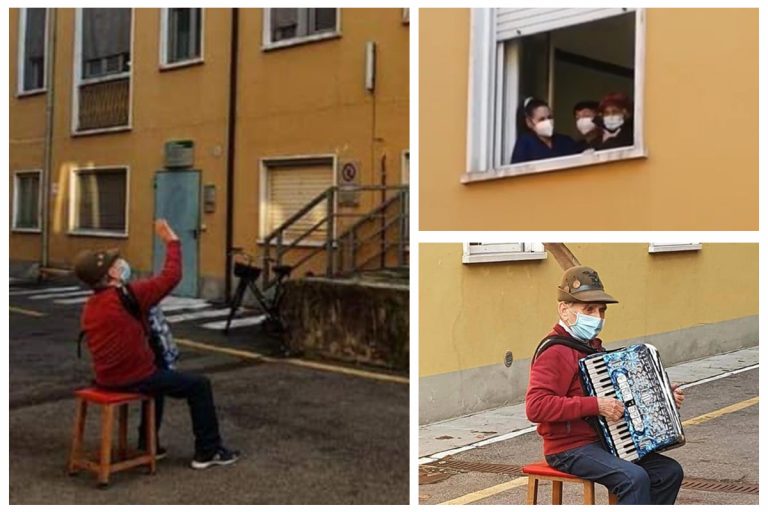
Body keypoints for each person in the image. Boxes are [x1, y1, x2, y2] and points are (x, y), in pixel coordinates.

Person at [74, 219, 240, 470]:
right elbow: (171, 276)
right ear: (112, 274)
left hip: (106, 378)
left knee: (158, 369)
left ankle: (148, 442)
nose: (121, 264)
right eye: (116, 264)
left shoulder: (91, 305)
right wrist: (172, 241)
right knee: (199, 386)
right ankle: (208, 451)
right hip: (133, 377)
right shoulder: (126, 296)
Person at [525, 266, 685, 505]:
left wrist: (663, 397)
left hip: (602, 441)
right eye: (589, 309)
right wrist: (595, 405)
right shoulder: (555, 351)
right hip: (568, 448)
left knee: (668, 472)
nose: (597, 317)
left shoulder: (592, 348)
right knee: (633, 478)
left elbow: (622, 393)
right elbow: (536, 407)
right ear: (564, 310)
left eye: (601, 310)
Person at [511, 97, 579, 164]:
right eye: (542, 119)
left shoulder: (565, 141)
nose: (548, 122)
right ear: (529, 123)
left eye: (549, 117)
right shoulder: (525, 143)